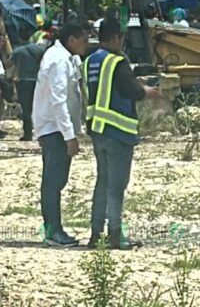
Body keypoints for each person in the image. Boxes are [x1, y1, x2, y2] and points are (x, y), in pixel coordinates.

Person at [84, 16, 161, 250]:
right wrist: (149, 91)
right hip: (118, 131)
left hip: (97, 129)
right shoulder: (117, 62)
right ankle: (115, 234)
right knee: (116, 186)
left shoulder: (90, 60)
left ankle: (96, 233)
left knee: (102, 182)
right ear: (117, 37)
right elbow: (131, 90)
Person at [32, 20, 89, 247]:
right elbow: (58, 101)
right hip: (54, 129)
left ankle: (55, 228)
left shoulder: (67, 58)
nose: (86, 45)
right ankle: (53, 231)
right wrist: (69, 136)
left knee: (57, 181)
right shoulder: (57, 61)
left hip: (58, 128)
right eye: (84, 40)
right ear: (72, 40)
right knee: (53, 182)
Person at [12, 31, 46, 141]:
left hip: (23, 82)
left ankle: (27, 134)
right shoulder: (39, 50)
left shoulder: (17, 51)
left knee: (26, 109)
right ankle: (40, 132)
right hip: (37, 81)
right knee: (37, 108)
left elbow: (9, 64)